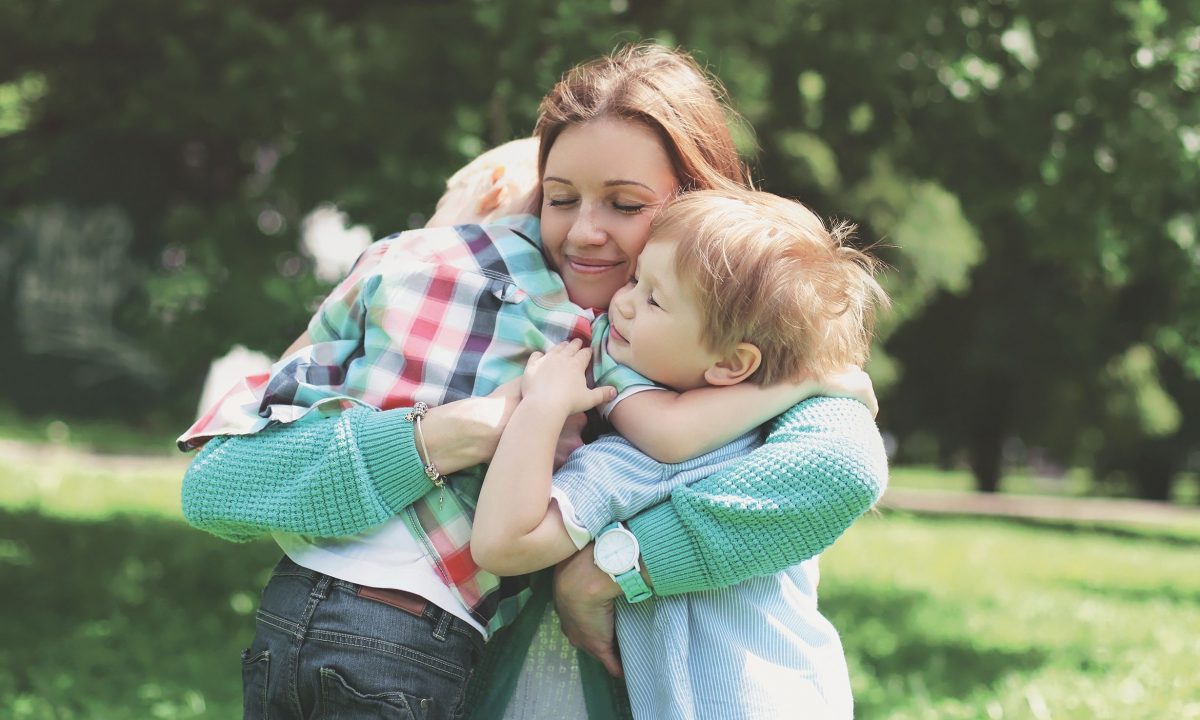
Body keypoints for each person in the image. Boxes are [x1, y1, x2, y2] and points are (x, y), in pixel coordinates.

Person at [178, 44, 887, 719]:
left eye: (627, 205)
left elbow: (840, 468)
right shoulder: (488, 308)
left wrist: (609, 571)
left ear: (698, 208)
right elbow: (218, 483)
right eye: (557, 198)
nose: (583, 233)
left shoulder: (762, 337)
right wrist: (455, 432)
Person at [472, 187, 888, 719]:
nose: (620, 302)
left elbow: (503, 544)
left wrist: (542, 406)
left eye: (653, 299)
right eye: (635, 279)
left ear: (733, 364)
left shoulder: (642, 464)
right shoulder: (778, 444)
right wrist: (803, 384)